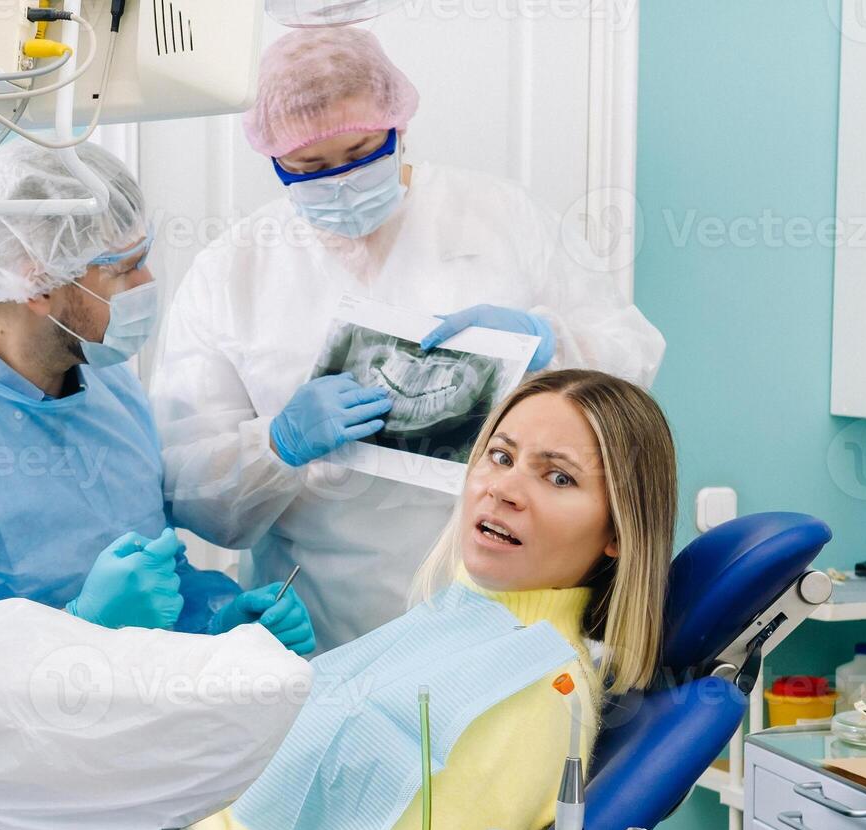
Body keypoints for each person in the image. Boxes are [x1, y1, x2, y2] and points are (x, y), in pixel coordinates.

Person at [150, 27, 667, 651]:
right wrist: (277, 445)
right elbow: (192, 493)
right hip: (320, 615)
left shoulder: (502, 217)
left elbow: (633, 358)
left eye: (362, 153)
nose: (339, 181)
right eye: (309, 168)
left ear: (398, 129)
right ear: (271, 158)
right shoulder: (230, 272)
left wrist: (553, 345)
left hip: (504, 604)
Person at [175, 369, 679, 830]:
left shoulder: (530, 694)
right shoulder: (461, 613)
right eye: (500, 455)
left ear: (618, 532)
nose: (504, 489)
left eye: (558, 476)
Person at [0, 142, 313, 652]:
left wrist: (219, 624)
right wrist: (79, 627)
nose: (148, 283)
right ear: (37, 281)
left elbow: (161, 576)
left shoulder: (109, 388)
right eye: (124, 269)